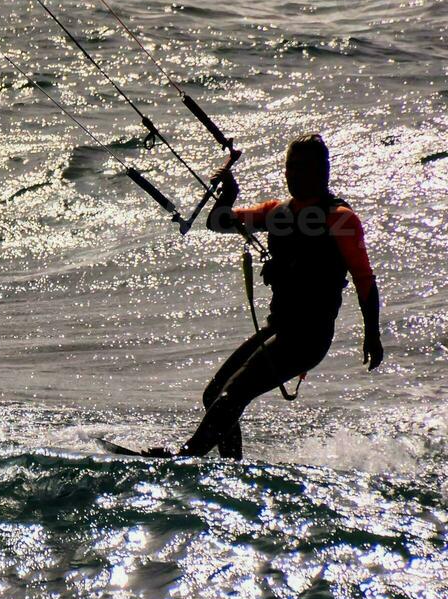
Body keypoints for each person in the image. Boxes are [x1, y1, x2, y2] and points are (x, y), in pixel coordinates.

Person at [150, 133, 384, 459]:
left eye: (300, 168)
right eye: (289, 167)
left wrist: (372, 334)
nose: (291, 175)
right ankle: (231, 467)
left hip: (309, 336)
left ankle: (186, 455)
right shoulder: (277, 211)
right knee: (215, 394)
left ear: (321, 171)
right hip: (282, 329)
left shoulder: (341, 219)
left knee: (232, 395)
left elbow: (364, 280)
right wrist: (228, 195)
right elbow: (219, 222)